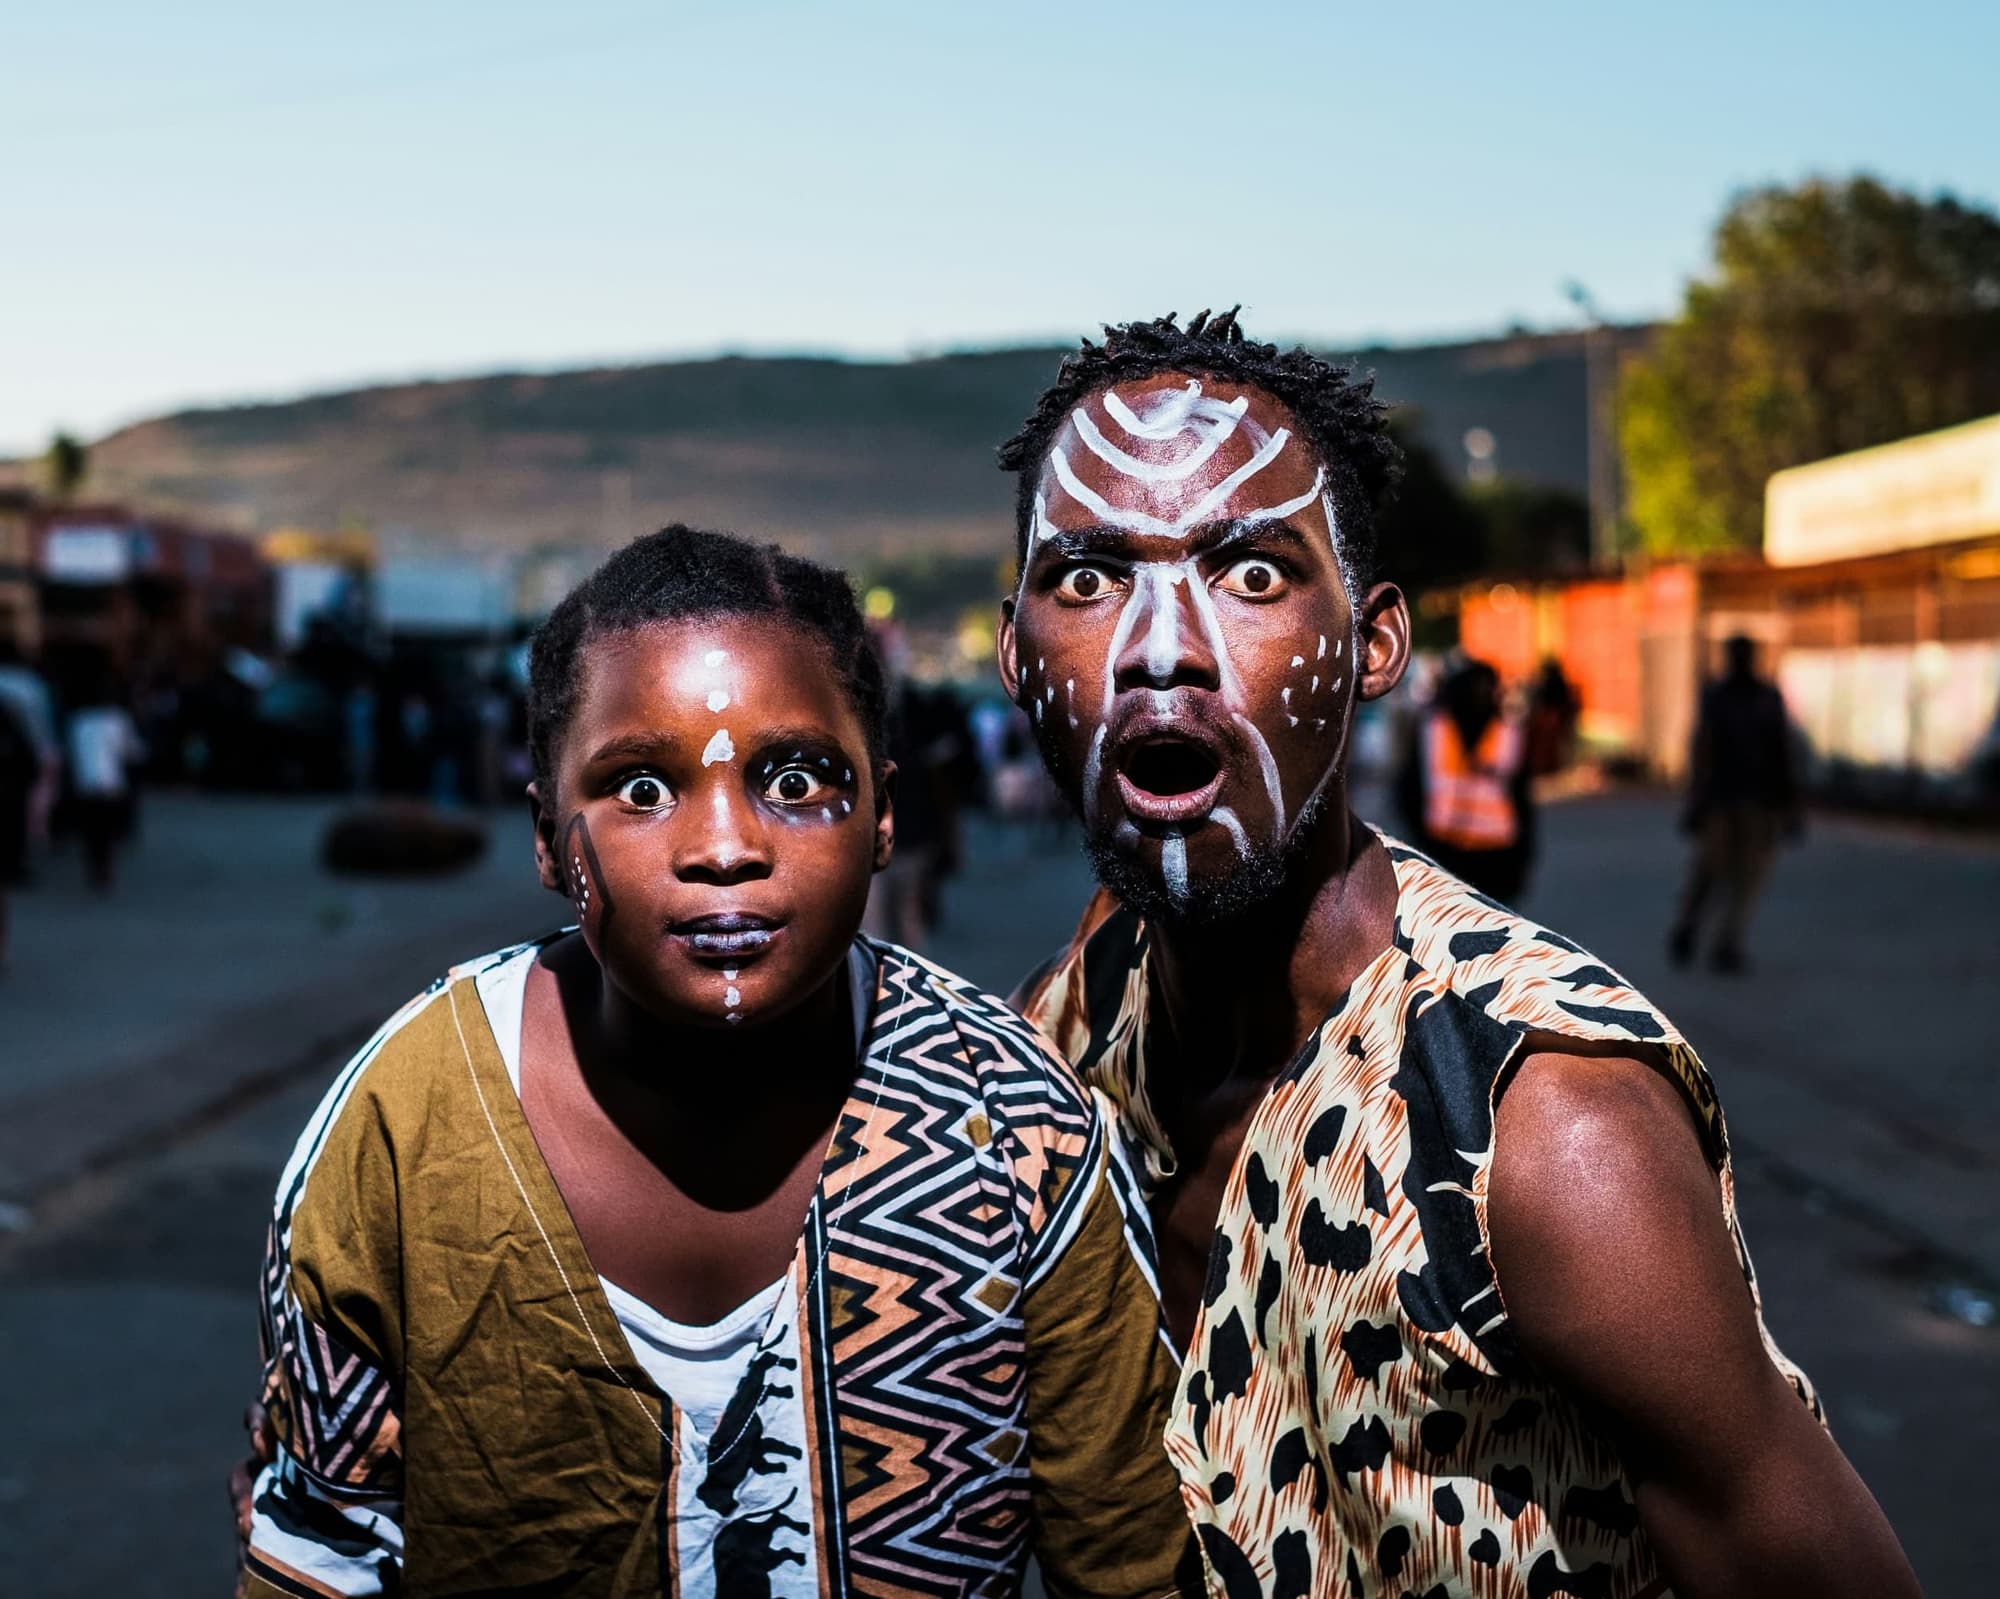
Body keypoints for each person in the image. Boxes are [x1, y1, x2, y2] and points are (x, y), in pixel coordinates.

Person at [997, 312, 1918, 1598]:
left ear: (1374, 646)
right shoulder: (1059, 1041)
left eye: (1251, 573)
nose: (1158, 644)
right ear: (1015, 655)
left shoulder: (1536, 1128)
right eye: (1089, 577)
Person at [234, 528, 1188, 1599]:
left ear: (881, 816)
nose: (725, 846)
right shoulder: (402, 1127)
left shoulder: (1018, 1130)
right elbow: (315, 1553)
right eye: (641, 788)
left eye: (792, 779)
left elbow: (1125, 1560)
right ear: (549, 837)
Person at [1669, 634, 1802, 974]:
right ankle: (1689, 927)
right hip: (1722, 801)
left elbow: (1782, 754)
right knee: (1709, 871)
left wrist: (1789, 806)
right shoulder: (1718, 698)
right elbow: (1703, 752)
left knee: (1746, 877)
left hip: (1756, 801)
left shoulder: (1763, 699)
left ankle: (1726, 941)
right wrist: (1697, 801)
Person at [1399, 656, 1535, 902]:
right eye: (1475, 689)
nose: (1481, 696)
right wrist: (1420, 839)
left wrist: (1522, 855)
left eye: (1487, 689)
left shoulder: (1508, 734)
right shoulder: (1434, 730)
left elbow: (1521, 798)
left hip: (1496, 855)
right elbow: (1408, 788)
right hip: (1443, 848)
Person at [63, 669, 144, 891]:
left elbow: (71, 752)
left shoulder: (79, 721)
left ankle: (94, 867)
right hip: (110, 784)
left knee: (91, 830)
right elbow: (132, 751)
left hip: (86, 784)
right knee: (105, 830)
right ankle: (103, 868)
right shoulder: (117, 720)